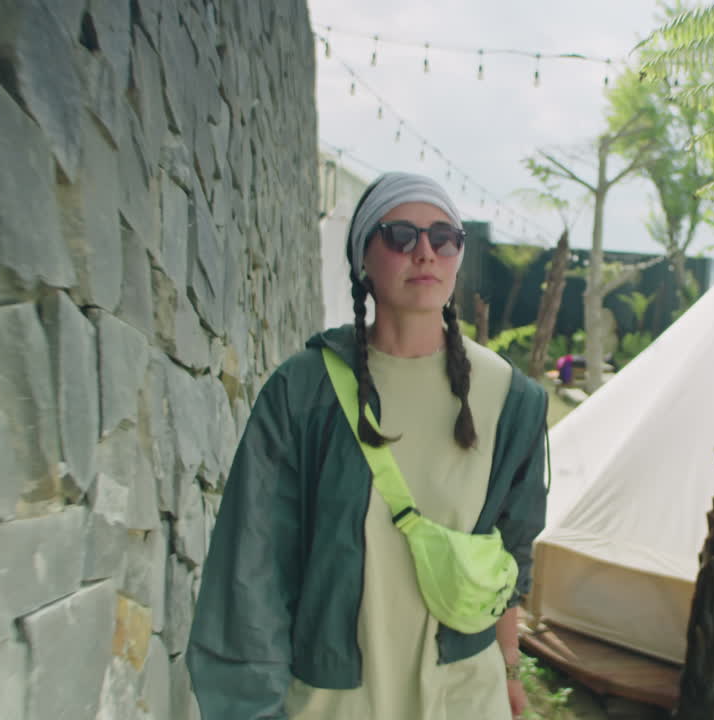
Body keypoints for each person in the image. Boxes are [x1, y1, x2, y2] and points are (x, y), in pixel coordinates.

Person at [186, 172, 549, 720]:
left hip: (464, 700)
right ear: (363, 259)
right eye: (400, 235)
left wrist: (511, 666)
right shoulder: (304, 392)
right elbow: (251, 572)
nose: (424, 252)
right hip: (335, 702)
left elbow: (508, 558)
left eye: (443, 237)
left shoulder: (511, 399)